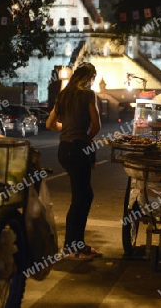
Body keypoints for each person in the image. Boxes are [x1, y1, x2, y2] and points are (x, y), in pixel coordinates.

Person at [46, 63, 102, 261]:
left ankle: (77, 245)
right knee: (81, 198)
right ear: (90, 77)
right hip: (79, 148)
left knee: (83, 196)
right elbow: (96, 125)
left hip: (64, 150)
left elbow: (49, 123)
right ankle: (72, 247)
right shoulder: (87, 94)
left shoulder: (64, 95)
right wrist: (86, 137)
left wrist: (68, 129)